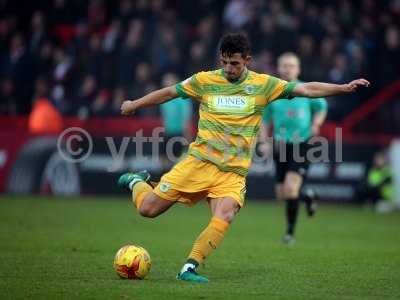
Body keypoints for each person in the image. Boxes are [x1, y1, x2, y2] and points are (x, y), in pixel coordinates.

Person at [118, 33, 369, 283]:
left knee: (224, 215)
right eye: (225, 62)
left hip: (233, 172)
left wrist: (343, 88)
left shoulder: (264, 85)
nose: (229, 68)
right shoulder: (204, 80)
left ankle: (189, 268)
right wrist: (135, 104)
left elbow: (307, 88)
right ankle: (136, 182)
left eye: (235, 63)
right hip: (199, 162)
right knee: (147, 209)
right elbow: (169, 93)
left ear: (247, 60)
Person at [259, 52, 328, 245]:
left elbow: (322, 106)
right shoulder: (272, 94)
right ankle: (308, 196)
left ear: (298, 69)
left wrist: (316, 123)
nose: (287, 69)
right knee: (282, 194)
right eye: (284, 65)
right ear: (278, 69)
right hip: (280, 146)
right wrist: (263, 142)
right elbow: (264, 121)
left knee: (290, 189)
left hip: (302, 143)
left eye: (291, 66)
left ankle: (289, 234)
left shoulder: (305, 90)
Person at [159, 73, 193, 169]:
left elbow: (186, 119)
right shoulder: (163, 100)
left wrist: (188, 136)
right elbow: (165, 119)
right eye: (165, 80)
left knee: (178, 164)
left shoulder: (183, 98)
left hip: (180, 134)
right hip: (168, 134)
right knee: (164, 163)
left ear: (175, 82)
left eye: (169, 80)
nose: (166, 82)